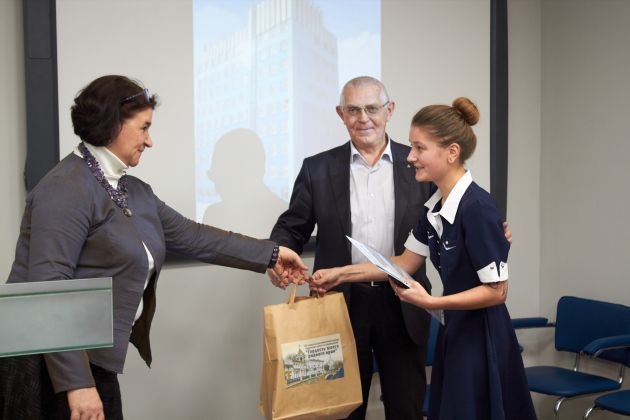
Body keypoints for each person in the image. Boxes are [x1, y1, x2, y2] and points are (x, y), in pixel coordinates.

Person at [0, 75, 307, 420]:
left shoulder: (133, 190)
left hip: (90, 361)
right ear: (113, 124)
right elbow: (50, 287)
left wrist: (272, 254)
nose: (150, 140)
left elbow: (194, 236)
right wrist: (78, 385)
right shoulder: (64, 188)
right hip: (52, 366)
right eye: (144, 128)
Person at [311, 98, 536, 419]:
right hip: (455, 330)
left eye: (419, 148)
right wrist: (340, 274)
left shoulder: (477, 207)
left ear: (452, 152)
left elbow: (497, 291)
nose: (411, 157)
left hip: (482, 336)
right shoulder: (433, 209)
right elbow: (403, 263)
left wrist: (431, 302)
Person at [268, 76, 433, 419]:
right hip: (338, 305)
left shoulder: (419, 165)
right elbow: (291, 227)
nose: (363, 118)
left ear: (389, 110)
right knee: (340, 411)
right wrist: (276, 254)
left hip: (403, 301)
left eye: (372, 108)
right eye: (353, 110)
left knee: (406, 409)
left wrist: (487, 232)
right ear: (340, 114)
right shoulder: (317, 169)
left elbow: (450, 217)